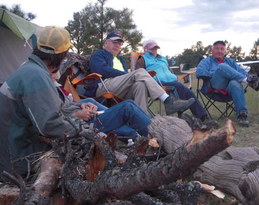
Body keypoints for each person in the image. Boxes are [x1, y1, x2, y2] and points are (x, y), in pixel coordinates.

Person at [0, 26, 149, 178]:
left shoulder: (31, 70)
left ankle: (148, 137)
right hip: (23, 160)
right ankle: (157, 138)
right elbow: (50, 125)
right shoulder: (35, 76)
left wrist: (78, 105)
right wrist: (89, 132)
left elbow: (50, 111)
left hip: (19, 151)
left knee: (126, 108)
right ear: (61, 55)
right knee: (128, 108)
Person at [89, 31, 195, 115]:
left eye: (120, 43)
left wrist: (127, 76)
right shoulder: (99, 54)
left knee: (140, 85)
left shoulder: (120, 59)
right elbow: (102, 70)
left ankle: (142, 123)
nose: (117, 45)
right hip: (103, 86)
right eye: (114, 42)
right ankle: (167, 100)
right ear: (106, 43)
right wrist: (126, 75)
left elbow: (125, 77)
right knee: (139, 72)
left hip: (120, 88)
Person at [135, 39, 217, 125]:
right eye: (152, 49)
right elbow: (139, 73)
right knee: (178, 87)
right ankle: (182, 116)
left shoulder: (162, 59)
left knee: (189, 93)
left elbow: (169, 70)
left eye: (156, 48)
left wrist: (174, 76)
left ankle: (204, 118)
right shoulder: (143, 59)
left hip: (171, 82)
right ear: (146, 49)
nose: (154, 50)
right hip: (157, 84)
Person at [196, 40, 259, 127]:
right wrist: (218, 73)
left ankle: (242, 115)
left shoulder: (230, 61)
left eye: (222, 49)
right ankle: (248, 81)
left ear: (225, 51)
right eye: (217, 48)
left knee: (234, 83)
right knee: (222, 67)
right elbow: (199, 73)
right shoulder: (206, 61)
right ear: (212, 50)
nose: (219, 51)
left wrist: (237, 76)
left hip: (229, 89)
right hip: (214, 87)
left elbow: (242, 71)